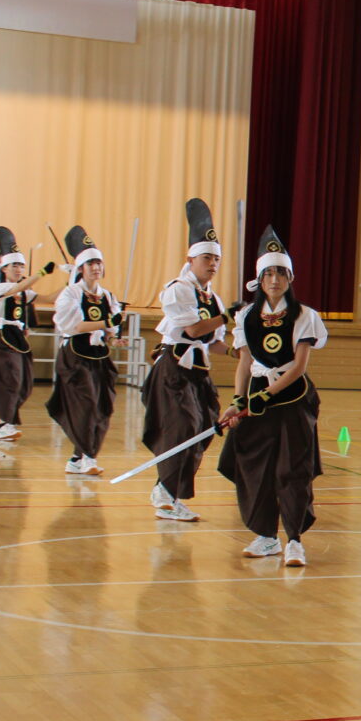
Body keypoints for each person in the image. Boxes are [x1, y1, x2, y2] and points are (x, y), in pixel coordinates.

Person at [217, 227, 328, 567]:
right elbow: (244, 363)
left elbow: (298, 366)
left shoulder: (304, 315)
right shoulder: (246, 316)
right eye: (268, 273)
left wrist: (267, 394)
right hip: (257, 396)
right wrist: (239, 399)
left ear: (290, 277)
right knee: (256, 468)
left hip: (292, 400)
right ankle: (266, 536)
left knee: (292, 470)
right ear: (259, 279)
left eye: (280, 272)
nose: (274, 279)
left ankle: (294, 539)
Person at [143, 199, 230, 522]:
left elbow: (214, 341)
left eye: (217, 259)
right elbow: (194, 329)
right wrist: (225, 316)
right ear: (190, 259)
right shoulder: (178, 289)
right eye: (207, 257)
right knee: (183, 426)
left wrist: (238, 351)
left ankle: (170, 492)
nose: (213, 264)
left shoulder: (213, 297)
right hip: (174, 369)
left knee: (206, 427)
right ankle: (163, 489)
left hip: (199, 372)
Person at [46, 226, 124, 475]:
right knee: (86, 405)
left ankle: (77, 458)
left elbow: (110, 332)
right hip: (75, 358)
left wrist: (114, 339)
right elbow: (76, 326)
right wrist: (107, 324)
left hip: (99, 358)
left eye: (99, 263)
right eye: (90, 263)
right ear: (80, 268)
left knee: (103, 407)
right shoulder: (70, 294)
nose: (96, 267)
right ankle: (89, 456)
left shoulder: (107, 296)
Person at [0, 227, 58, 442]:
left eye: (21, 265)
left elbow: (49, 297)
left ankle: (6, 419)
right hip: (1, 338)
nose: (18, 268)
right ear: (4, 268)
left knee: (23, 383)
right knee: (9, 379)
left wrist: (73, 282)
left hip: (17, 338)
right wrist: (40, 273)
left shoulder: (24, 290)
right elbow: (16, 289)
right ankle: (2, 424)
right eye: (14, 265)